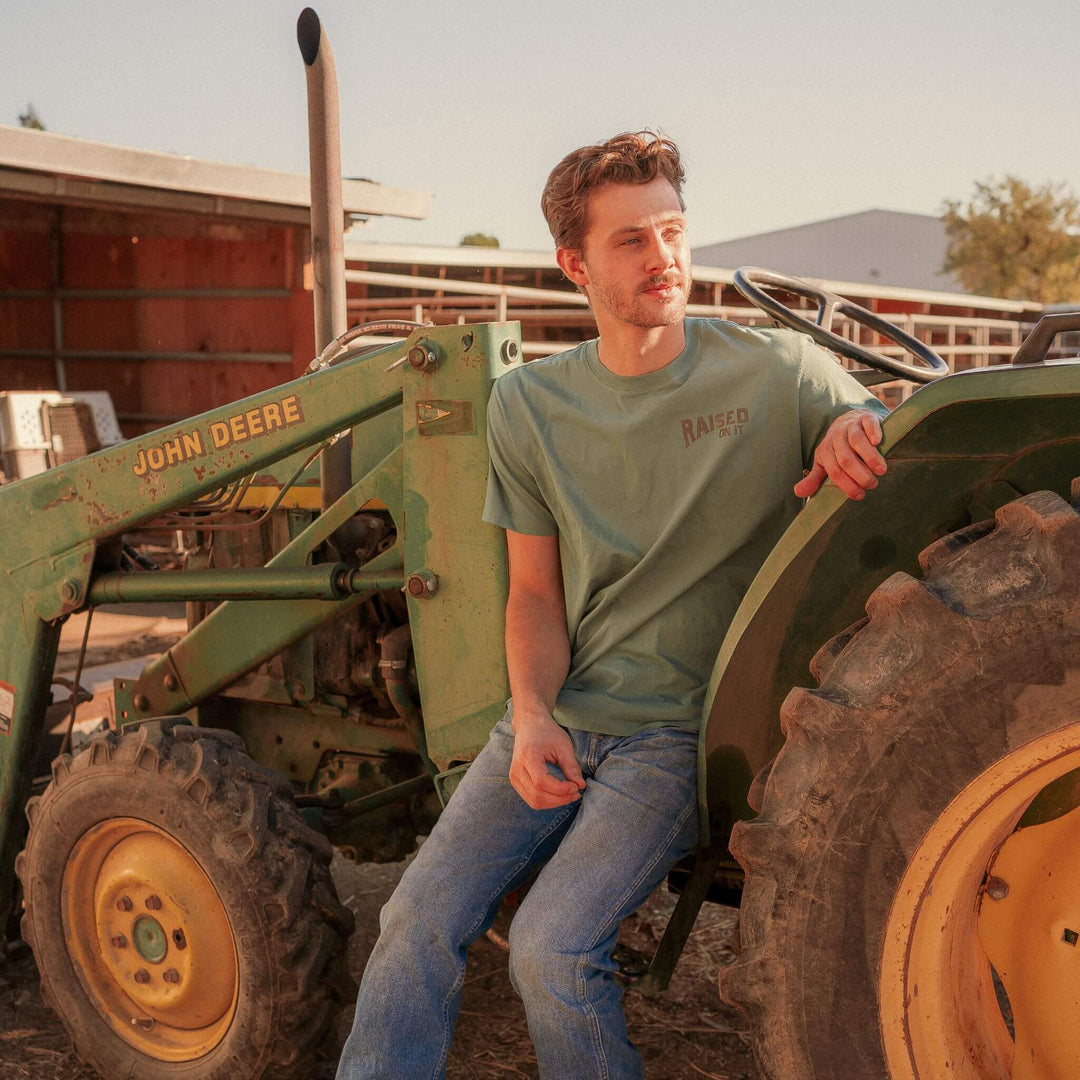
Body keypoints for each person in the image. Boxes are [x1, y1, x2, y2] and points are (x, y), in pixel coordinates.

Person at [337, 131, 888, 1080]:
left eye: (672, 230)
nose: (663, 256)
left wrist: (855, 422)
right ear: (574, 264)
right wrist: (534, 714)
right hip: (558, 716)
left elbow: (875, 420)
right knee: (411, 918)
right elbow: (536, 594)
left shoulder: (774, 372)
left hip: (678, 734)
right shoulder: (528, 406)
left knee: (552, 950)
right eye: (631, 239)